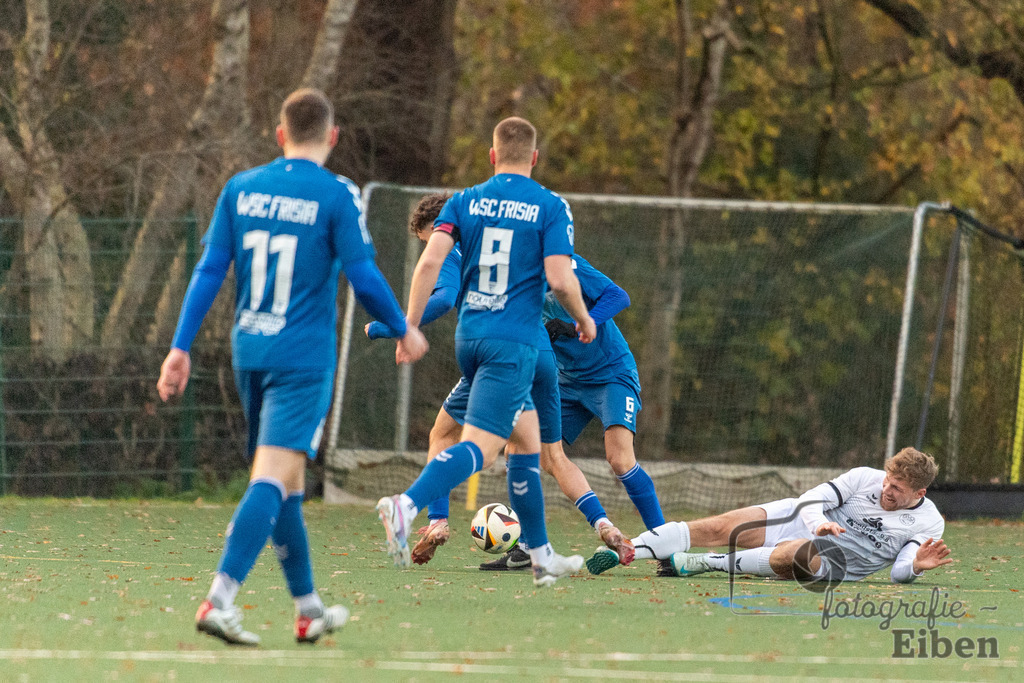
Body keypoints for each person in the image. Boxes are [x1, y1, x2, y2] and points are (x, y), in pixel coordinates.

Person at [157, 88, 427, 646]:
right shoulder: (337, 194)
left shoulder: (241, 187)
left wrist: (180, 346)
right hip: (302, 359)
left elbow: (209, 270)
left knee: (288, 483)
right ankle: (219, 599)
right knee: (270, 478)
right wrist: (404, 327)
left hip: (250, 352)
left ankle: (308, 609)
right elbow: (363, 275)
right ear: (333, 137)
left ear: (280, 135)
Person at [376, 116, 598, 587]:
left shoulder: (463, 201)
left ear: (493, 156)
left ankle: (541, 555)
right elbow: (560, 279)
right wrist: (583, 318)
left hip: (471, 337)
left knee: (527, 444)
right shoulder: (550, 205)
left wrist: (408, 326)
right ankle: (406, 505)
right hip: (513, 342)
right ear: (534, 158)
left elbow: (430, 263)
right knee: (480, 447)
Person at [366, 195, 635, 569]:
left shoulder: (453, 243)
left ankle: (414, 508)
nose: (431, 245)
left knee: (463, 440)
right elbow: (560, 280)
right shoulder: (517, 235)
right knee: (539, 452)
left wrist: (394, 327)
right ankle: (583, 535)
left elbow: (443, 298)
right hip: (540, 355)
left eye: (429, 238)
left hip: (498, 352)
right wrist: (583, 321)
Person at [482, 253, 667, 571]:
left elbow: (618, 296)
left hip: (611, 375)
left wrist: (576, 325)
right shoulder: (509, 280)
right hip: (566, 382)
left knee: (620, 460)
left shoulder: (565, 264)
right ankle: (527, 546)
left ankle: (666, 548)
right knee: (525, 450)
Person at [586, 447, 951, 586]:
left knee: (800, 552)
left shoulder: (929, 522)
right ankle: (627, 549)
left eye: (897, 489)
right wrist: (819, 523)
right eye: (888, 481)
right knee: (717, 526)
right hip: (797, 518)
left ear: (919, 493)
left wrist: (916, 567)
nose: (887, 490)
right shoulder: (863, 478)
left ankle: (708, 563)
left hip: (829, 562)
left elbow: (898, 573)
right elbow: (811, 499)